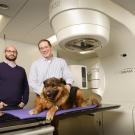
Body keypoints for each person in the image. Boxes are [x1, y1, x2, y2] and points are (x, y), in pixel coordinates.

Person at [0, 46, 29, 110]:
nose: (12, 53)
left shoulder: (21, 70)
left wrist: (24, 102)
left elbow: (26, 87)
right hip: (2, 107)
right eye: (9, 51)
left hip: (18, 107)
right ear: (5, 53)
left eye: (14, 52)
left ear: (16, 54)